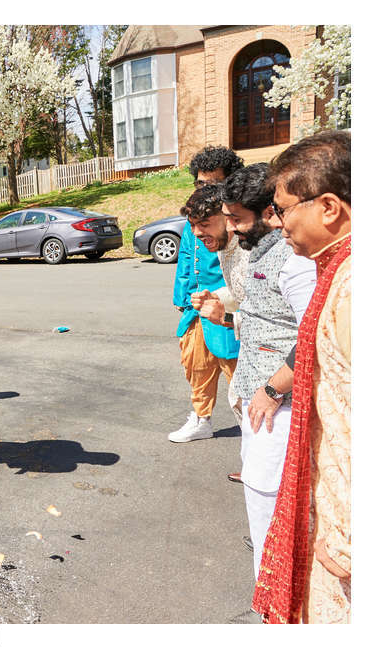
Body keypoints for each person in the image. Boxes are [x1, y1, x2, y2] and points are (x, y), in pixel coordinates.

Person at [190, 167, 316, 594]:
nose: (230, 228)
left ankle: (276, 598)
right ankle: (269, 586)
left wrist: (271, 388)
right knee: (260, 503)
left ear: (268, 212)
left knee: (269, 502)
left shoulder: (294, 262)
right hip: (257, 402)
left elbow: (313, 337)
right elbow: (266, 321)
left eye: (236, 219)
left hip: (278, 408)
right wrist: (226, 315)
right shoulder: (260, 250)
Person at [253, 130, 351, 624]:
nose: (279, 222)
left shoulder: (356, 286)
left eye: (284, 208)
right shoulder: (335, 270)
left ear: (329, 206)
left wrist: (352, 538)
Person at [168, 145, 243, 443]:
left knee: (235, 370)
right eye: (200, 183)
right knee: (196, 366)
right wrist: (181, 297)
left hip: (227, 306)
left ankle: (252, 434)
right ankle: (201, 420)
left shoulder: (235, 221)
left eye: (213, 184)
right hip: (195, 307)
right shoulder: (195, 216)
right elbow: (186, 257)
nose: (205, 189)